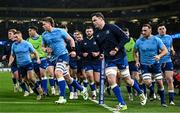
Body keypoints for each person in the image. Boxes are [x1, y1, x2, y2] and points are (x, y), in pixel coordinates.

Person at [91, 12, 146, 111]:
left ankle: (140, 92)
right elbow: (101, 48)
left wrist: (116, 49)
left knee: (128, 81)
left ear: (101, 19)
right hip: (109, 60)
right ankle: (122, 103)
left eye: (95, 20)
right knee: (111, 79)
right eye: (92, 21)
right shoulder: (96, 34)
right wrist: (101, 54)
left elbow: (126, 38)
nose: (93, 22)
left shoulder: (112, 27)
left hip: (121, 57)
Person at [41, 17, 88, 104]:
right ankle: (82, 89)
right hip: (53, 58)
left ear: (50, 23)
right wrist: (45, 49)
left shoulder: (60, 31)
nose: (43, 26)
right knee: (68, 78)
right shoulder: (44, 35)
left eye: (44, 24)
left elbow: (71, 39)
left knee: (58, 73)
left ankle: (62, 97)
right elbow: (42, 46)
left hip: (63, 55)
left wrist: (73, 50)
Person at [134, 24, 168, 107]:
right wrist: (137, 61)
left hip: (155, 64)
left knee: (160, 83)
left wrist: (159, 56)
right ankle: (152, 92)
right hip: (144, 64)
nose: (143, 32)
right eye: (142, 30)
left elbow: (165, 50)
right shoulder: (139, 41)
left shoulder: (157, 40)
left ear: (150, 30)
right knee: (147, 82)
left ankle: (163, 102)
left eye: (145, 30)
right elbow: (134, 52)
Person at [8, 31, 43, 100]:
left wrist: (38, 59)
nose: (15, 38)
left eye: (16, 37)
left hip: (28, 63)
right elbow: (12, 55)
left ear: (20, 36)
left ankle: (39, 88)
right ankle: (38, 94)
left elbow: (35, 52)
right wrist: (10, 62)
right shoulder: (14, 45)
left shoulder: (27, 44)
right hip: (20, 65)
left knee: (31, 78)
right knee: (26, 80)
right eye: (14, 37)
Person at [79, 26, 101, 100]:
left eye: (90, 31)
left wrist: (98, 53)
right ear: (85, 32)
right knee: (90, 77)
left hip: (97, 62)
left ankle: (97, 86)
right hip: (87, 62)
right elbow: (79, 52)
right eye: (87, 31)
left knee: (97, 80)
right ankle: (94, 93)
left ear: (93, 32)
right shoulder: (83, 41)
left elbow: (102, 49)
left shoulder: (97, 40)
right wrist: (82, 54)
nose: (89, 32)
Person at [156, 24, 176, 105]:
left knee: (169, 79)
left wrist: (172, 51)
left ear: (166, 29)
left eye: (163, 28)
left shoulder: (169, 37)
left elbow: (171, 47)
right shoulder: (155, 38)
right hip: (158, 62)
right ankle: (159, 93)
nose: (162, 30)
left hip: (168, 60)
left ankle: (171, 100)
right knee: (159, 81)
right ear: (158, 31)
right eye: (160, 29)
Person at [27, 26, 48, 96]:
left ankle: (45, 91)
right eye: (28, 31)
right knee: (38, 76)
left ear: (34, 30)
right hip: (33, 60)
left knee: (42, 74)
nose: (29, 32)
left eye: (30, 30)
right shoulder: (28, 40)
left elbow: (47, 46)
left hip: (42, 58)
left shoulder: (42, 37)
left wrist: (47, 52)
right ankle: (42, 89)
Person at [123, 28, 142, 101]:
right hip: (125, 62)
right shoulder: (121, 41)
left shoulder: (134, 40)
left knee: (136, 77)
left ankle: (136, 90)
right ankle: (129, 93)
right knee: (127, 79)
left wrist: (137, 61)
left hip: (133, 62)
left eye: (126, 32)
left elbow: (137, 51)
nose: (125, 34)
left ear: (129, 33)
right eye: (124, 33)